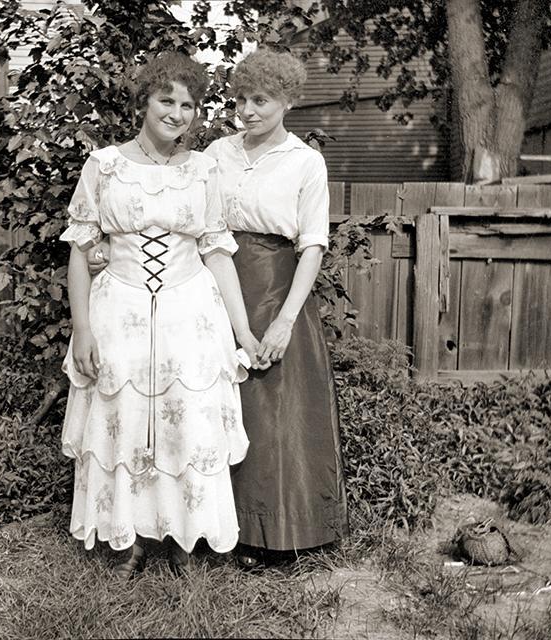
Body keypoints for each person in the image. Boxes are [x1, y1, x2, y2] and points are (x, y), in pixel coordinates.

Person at [59, 52, 259, 580]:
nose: (177, 113)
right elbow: (81, 250)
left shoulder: (202, 171)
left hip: (189, 314)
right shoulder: (105, 166)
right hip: (118, 309)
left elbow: (217, 252)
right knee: (123, 426)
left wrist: (243, 333)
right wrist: (81, 329)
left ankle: (186, 540)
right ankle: (128, 543)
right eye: (166, 100)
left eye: (188, 104)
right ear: (143, 102)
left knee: (186, 427)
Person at [203, 48, 349, 567]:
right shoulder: (217, 154)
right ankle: (218, 530)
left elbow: (313, 244)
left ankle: (279, 534)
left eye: (260, 99)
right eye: (241, 98)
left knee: (273, 412)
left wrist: (286, 320)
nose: (248, 109)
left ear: (287, 100)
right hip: (216, 285)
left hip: (278, 289)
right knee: (220, 404)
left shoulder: (305, 162)